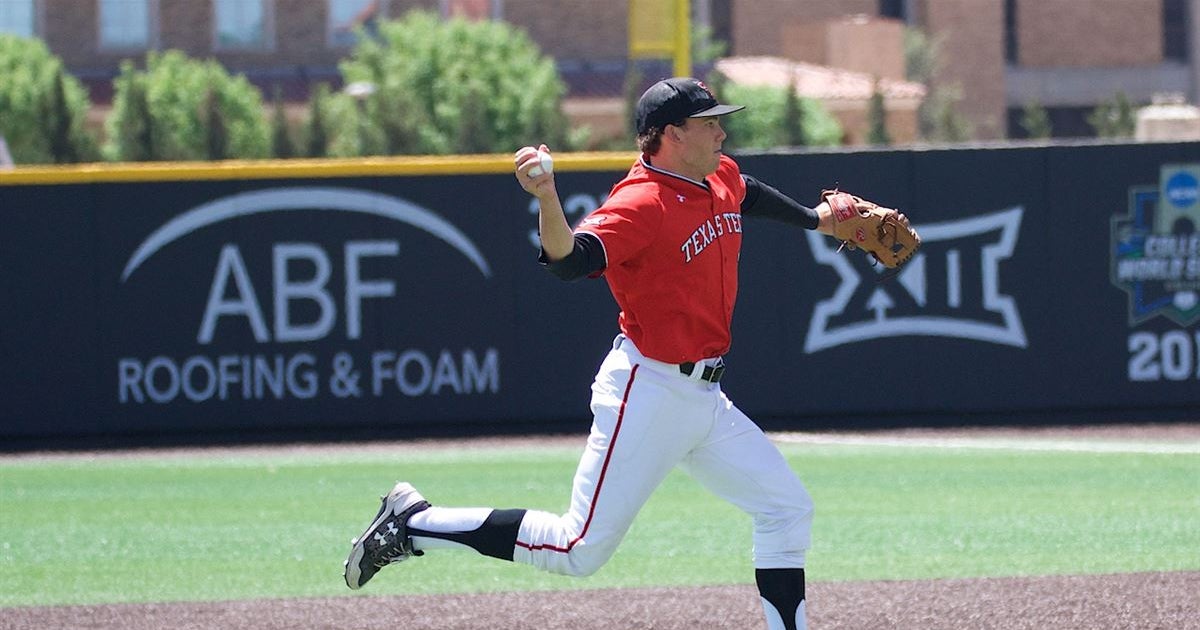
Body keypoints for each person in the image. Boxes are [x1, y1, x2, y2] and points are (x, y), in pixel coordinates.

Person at [344, 77, 875, 630]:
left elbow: (749, 192)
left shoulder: (717, 174)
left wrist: (815, 219)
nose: (721, 131)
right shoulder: (641, 201)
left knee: (786, 509)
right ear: (672, 134)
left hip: (704, 400)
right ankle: (415, 525)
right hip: (650, 391)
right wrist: (547, 198)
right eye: (709, 123)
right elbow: (570, 260)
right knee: (577, 549)